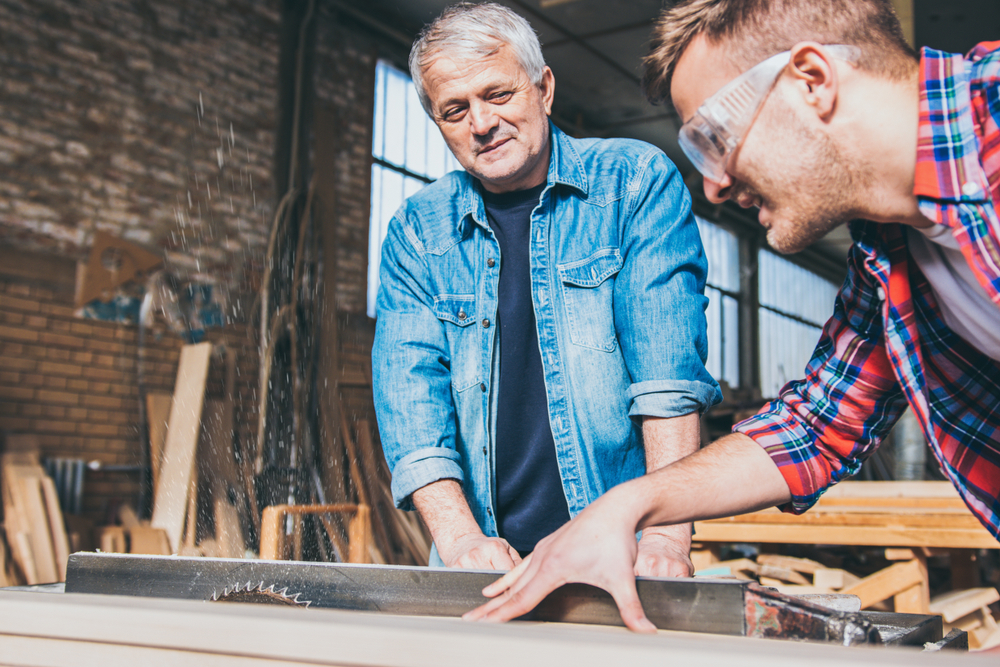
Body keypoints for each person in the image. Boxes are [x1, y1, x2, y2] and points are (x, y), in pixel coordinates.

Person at [465, 0, 1000, 632]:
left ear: (812, 81)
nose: (714, 186)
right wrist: (627, 506)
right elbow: (815, 428)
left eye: (714, 138)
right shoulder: (889, 255)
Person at [372, 2, 720, 574]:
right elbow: (410, 401)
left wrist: (662, 539)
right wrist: (460, 542)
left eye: (498, 94)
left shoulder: (632, 183)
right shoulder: (418, 231)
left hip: (621, 550)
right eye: (455, 109)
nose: (481, 124)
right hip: (483, 560)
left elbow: (667, 376)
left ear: (544, 88)